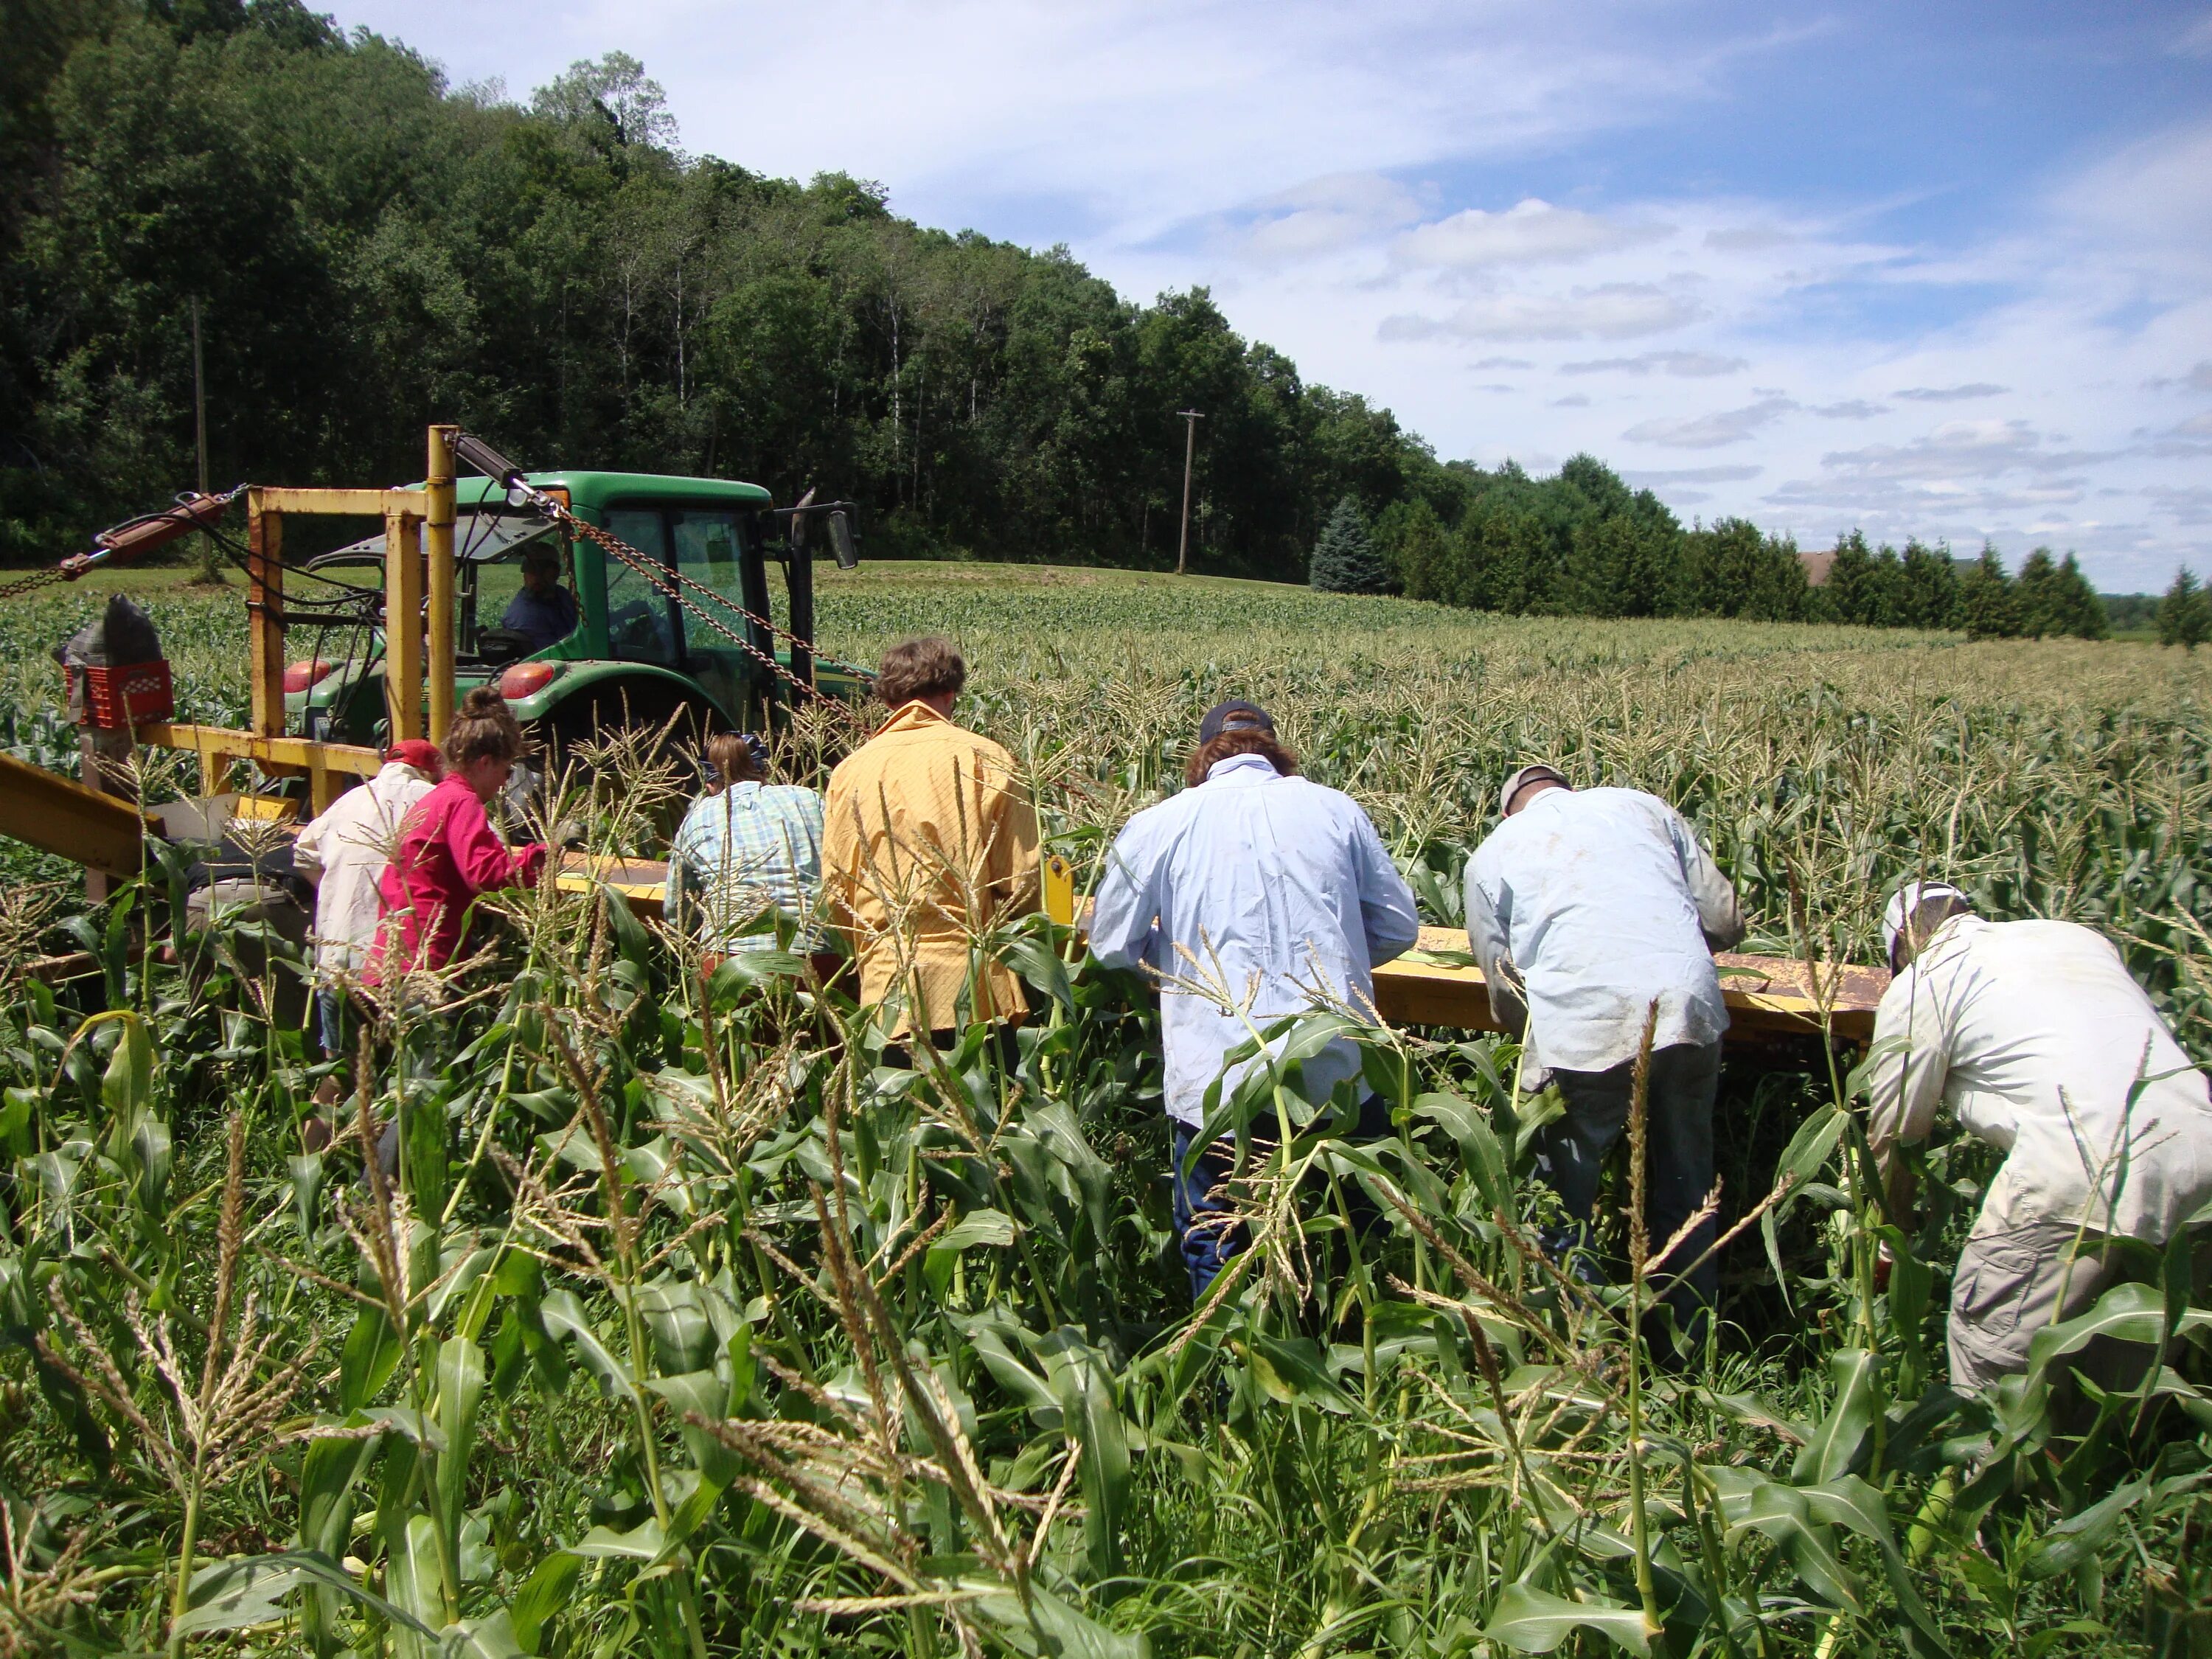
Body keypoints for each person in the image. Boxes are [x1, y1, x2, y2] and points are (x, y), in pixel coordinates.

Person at [1090, 700, 1421, 1301]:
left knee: (1218, 1239)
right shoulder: (1335, 808)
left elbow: (1112, 946)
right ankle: (1355, 1366)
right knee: (1353, 1233)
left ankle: (1227, 1371)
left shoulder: (1161, 822)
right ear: (1275, 750)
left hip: (1218, 1080)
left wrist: (1174, 962)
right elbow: (1399, 927)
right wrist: (1333, 958)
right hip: (1338, 1068)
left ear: (1203, 758)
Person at [1866, 880, 2212, 1394]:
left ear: (1900, 951)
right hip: (2199, 1153)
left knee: (1990, 1354)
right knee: (2131, 1371)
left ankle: (1991, 1468)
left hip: (2078, 1165)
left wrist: (1888, 1246)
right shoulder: (2075, 939)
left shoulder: (1923, 982)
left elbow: (1896, 1136)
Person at [1464, 764, 1745, 1336]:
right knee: (1687, 1180)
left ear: (1506, 811)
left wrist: (1531, 1040)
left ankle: (1583, 1347)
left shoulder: (1493, 852)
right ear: (1569, 787)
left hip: (1583, 1024)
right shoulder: (1642, 806)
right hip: (1686, 1006)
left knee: (1562, 1196)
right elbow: (1725, 919)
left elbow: (1503, 985)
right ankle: (1689, 1343)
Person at [822, 638, 1039, 1046]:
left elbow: (837, 892)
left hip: (888, 991)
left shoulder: (850, 771)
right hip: (974, 989)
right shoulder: (986, 757)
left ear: (888, 699)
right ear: (951, 693)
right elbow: (1021, 881)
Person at [368, 688, 549, 981]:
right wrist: (541, 858)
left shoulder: (435, 800)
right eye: (506, 771)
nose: (505, 784)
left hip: (392, 960)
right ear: (485, 762)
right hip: (424, 964)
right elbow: (484, 873)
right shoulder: (462, 801)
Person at [292, 740, 442, 1057]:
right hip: (399, 964)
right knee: (410, 1074)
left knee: (341, 1071)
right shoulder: (436, 799)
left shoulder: (349, 801)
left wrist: (335, 891)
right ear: (429, 773)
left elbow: (304, 854)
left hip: (338, 959)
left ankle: (326, 1105)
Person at [666, 731, 829, 966]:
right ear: (763, 772)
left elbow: (677, 909)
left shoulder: (697, 818)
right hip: (816, 956)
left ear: (711, 784)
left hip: (731, 962)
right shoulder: (807, 799)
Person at [500, 543, 579, 651]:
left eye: (542, 568)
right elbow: (552, 655)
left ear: (556, 571)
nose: (536, 575)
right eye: (530, 568)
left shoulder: (562, 595)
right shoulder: (524, 616)